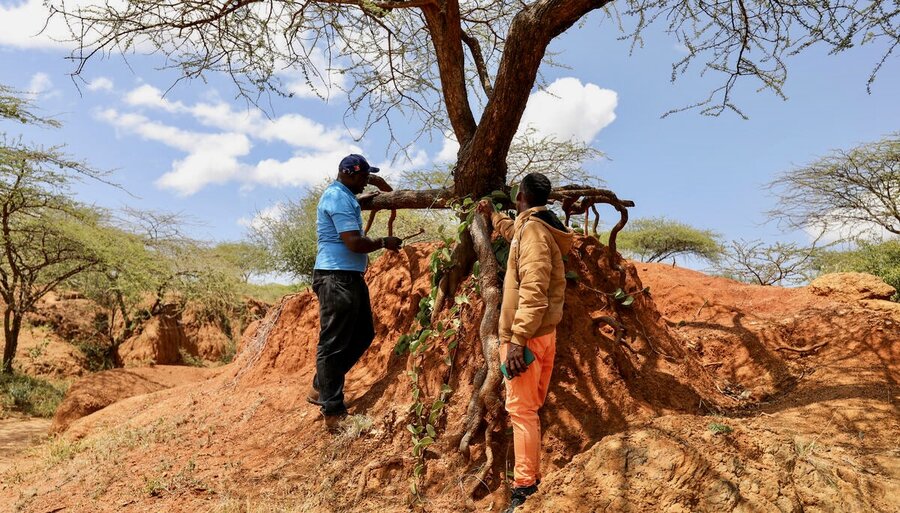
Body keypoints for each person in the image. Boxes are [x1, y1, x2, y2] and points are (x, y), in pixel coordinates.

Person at [477, 172, 573, 512]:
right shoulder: (537, 226)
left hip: (526, 339)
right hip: (543, 334)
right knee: (528, 410)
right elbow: (512, 230)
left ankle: (524, 489)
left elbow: (533, 290)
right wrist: (492, 217)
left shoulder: (532, 233)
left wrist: (516, 340)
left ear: (521, 196)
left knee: (521, 411)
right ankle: (529, 479)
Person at [308, 154, 402, 432]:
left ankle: (320, 386)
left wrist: (376, 181)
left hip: (348, 276)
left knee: (364, 334)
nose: (365, 182)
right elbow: (354, 243)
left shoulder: (345, 196)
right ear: (350, 174)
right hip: (335, 277)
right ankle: (334, 411)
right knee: (332, 343)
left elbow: (381, 191)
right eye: (363, 177)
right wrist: (384, 241)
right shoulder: (337, 198)